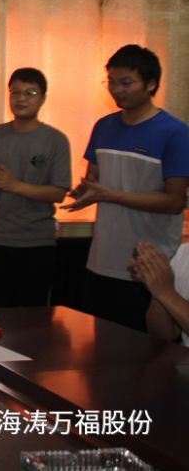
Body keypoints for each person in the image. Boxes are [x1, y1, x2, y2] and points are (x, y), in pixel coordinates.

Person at [62, 44, 189, 332]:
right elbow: (94, 181)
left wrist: (111, 195)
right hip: (101, 259)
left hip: (148, 267)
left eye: (126, 82)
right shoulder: (103, 126)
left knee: (143, 353)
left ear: (151, 84)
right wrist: (83, 192)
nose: (117, 90)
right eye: (112, 82)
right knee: (101, 349)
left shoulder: (175, 133)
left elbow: (174, 202)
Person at [0, 68, 72, 307]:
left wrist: (14, 185)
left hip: (35, 244)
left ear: (43, 98)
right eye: (15, 92)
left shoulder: (55, 140)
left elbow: (58, 192)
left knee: (30, 319)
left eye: (30, 93)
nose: (21, 99)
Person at [130, 241, 189, 347]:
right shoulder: (184, 252)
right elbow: (162, 335)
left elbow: (167, 293)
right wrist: (157, 287)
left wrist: (167, 294)